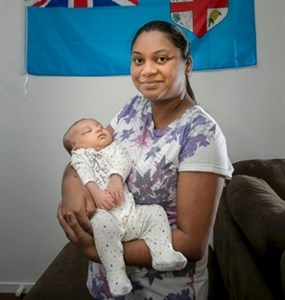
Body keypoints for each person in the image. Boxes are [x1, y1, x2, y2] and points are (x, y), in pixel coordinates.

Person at [57, 20, 233, 299]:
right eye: (139, 60)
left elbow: (191, 243)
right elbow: (87, 151)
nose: (147, 70)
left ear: (187, 64)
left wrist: (98, 250)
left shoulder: (202, 134)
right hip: (106, 286)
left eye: (161, 59)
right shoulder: (133, 107)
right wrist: (70, 186)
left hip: (163, 289)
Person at [62, 118, 187, 296]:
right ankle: (116, 275)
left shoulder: (113, 148)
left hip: (131, 215)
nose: (98, 129)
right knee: (101, 223)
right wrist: (96, 192)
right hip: (106, 217)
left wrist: (115, 178)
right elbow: (83, 172)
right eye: (86, 131)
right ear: (76, 147)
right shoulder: (80, 156)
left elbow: (124, 160)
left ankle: (163, 253)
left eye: (98, 125)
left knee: (155, 212)